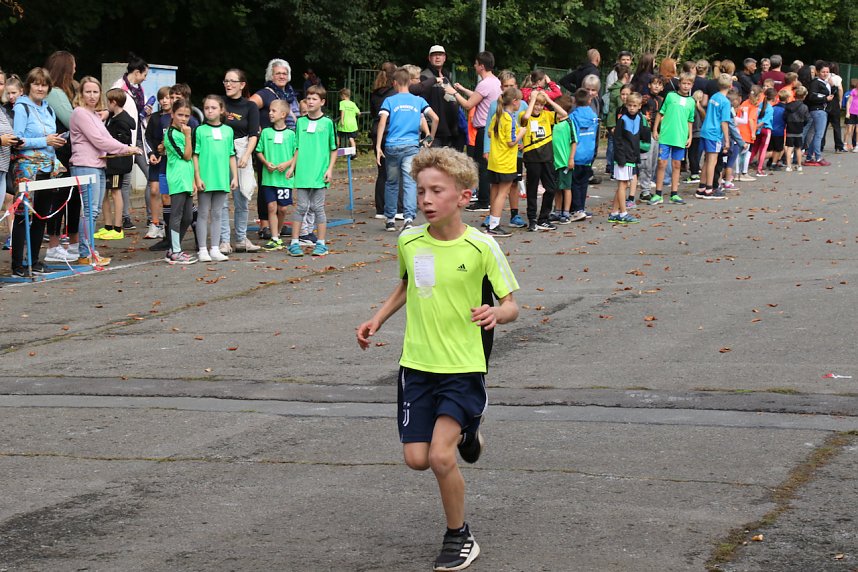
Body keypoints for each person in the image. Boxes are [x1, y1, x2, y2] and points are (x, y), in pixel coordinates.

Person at [356, 146, 519, 572]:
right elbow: (406, 285)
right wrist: (377, 319)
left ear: (463, 197)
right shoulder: (409, 240)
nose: (426, 200)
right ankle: (467, 435)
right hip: (417, 365)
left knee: (439, 458)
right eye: (421, 191)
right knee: (416, 458)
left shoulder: (482, 247)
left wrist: (496, 313)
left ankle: (459, 537)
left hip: (463, 366)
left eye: (437, 191)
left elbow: (512, 305)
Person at [10, 67, 69, 276]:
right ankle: (17, 265)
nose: (40, 88)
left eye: (44, 85)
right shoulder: (21, 108)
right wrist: (45, 140)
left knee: (42, 215)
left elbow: (50, 138)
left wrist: (57, 140)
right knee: (22, 215)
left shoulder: (49, 109)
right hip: (26, 168)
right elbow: (17, 140)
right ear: (29, 86)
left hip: (48, 166)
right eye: (36, 84)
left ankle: (34, 260)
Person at [376, 67, 438, 232]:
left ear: (394, 83)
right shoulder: (418, 101)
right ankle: (408, 218)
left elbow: (382, 123)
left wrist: (378, 146)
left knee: (391, 182)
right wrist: (430, 137)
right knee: (410, 183)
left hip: (392, 145)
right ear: (410, 82)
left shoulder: (389, 101)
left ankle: (390, 219)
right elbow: (435, 118)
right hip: (411, 146)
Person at [443, 51, 501, 212]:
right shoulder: (495, 81)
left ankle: (483, 201)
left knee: (481, 166)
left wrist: (454, 92)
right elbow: (478, 97)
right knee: (482, 164)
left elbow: (469, 105)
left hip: (483, 129)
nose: (474, 66)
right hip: (490, 128)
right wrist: (462, 89)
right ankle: (484, 198)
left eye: (476, 64)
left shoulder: (484, 84)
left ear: (481, 66)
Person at [249, 58, 301, 241]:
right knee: (267, 186)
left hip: (288, 144)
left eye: (284, 73)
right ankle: (264, 226)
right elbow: (250, 106)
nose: (281, 76)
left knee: (282, 187)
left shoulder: (289, 94)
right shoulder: (266, 93)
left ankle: (277, 226)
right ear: (271, 75)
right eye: (278, 73)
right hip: (269, 145)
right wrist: (256, 127)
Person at [285, 85, 337, 257]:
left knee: (317, 207)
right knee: (301, 207)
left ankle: (321, 243)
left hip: (319, 172)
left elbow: (333, 148)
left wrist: (330, 169)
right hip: (303, 172)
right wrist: (292, 167)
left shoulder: (327, 123)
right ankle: (294, 242)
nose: (310, 102)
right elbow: (297, 147)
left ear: (322, 102)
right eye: (308, 99)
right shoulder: (300, 122)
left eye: (314, 99)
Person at [43, 51, 80, 254]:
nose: (75, 69)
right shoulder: (56, 93)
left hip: (67, 152)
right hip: (60, 153)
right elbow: (72, 120)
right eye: (73, 65)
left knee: (72, 198)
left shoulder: (65, 91)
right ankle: (54, 245)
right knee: (59, 198)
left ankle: (72, 242)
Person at [481, 70, 528, 229]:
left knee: (501, 190)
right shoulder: (508, 118)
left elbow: (490, 132)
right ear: (514, 101)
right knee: (502, 192)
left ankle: (495, 221)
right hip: (505, 161)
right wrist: (521, 132)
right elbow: (510, 141)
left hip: (496, 160)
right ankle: (494, 225)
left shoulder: (499, 115)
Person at [221, 68, 261, 253]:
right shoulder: (219, 103)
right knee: (221, 199)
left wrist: (246, 155)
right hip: (221, 154)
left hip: (241, 153)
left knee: (242, 198)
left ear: (242, 85)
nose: (228, 84)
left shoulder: (250, 106)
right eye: (226, 81)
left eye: (232, 81)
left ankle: (241, 239)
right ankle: (223, 240)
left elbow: (253, 134)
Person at [193, 95, 237, 263]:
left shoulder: (228, 131)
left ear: (221, 110)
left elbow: (231, 155)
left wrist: (234, 177)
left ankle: (215, 248)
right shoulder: (200, 130)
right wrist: (197, 177)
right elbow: (195, 155)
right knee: (203, 213)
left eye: (213, 108)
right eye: (206, 108)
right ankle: (202, 249)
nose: (210, 111)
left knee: (218, 213)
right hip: (205, 178)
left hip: (221, 178)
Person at [112, 53, 152, 231]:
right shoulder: (119, 87)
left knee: (151, 175)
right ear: (137, 72)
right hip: (125, 139)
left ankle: (152, 218)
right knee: (125, 181)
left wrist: (146, 112)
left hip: (139, 138)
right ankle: (125, 217)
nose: (145, 78)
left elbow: (138, 112)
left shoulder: (139, 90)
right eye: (144, 74)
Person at [520, 89, 568, 231]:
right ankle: (532, 219)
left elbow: (564, 114)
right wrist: (532, 100)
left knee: (551, 188)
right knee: (532, 190)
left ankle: (543, 218)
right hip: (532, 158)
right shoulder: (524, 115)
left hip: (547, 158)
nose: (538, 107)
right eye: (536, 104)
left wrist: (549, 100)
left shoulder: (547, 115)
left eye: (541, 105)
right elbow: (526, 117)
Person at [256, 100, 296, 251]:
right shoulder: (266, 132)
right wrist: (266, 163)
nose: (270, 113)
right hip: (269, 178)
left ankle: (278, 232)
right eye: (270, 110)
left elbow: (296, 153)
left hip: (284, 179)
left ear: (283, 114)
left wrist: (287, 164)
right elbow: (259, 151)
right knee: (271, 207)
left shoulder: (291, 134)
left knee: (283, 208)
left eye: (273, 111)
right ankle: (274, 238)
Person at [650, 72, 694, 206]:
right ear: (679, 84)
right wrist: (655, 129)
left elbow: (690, 120)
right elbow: (660, 113)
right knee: (662, 163)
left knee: (677, 165)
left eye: (689, 84)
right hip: (666, 135)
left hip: (680, 137)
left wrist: (690, 136)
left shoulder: (691, 101)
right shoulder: (670, 96)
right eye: (684, 83)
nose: (686, 86)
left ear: (692, 85)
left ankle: (674, 193)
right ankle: (658, 193)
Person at [98, 88, 137, 240]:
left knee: (115, 192)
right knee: (105, 193)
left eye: (108, 102)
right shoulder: (114, 117)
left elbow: (120, 143)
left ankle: (118, 227)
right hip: (111, 161)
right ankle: (108, 225)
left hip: (117, 163)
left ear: (113, 102)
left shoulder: (121, 121)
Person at [163, 98, 197, 265]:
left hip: (187, 178)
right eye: (180, 115)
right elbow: (187, 156)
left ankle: (173, 248)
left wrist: (193, 180)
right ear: (172, 114)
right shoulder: (171, 134)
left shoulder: (183, 132)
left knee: (188, 217)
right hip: (177, 178)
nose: (183, 119)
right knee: (176, 215)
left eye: (186, 116)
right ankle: (175, 251)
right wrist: (188, 136)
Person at [413, 45, 459, 148]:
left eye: (440, 55)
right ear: (429, 58)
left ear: (444, 58)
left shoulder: (448, 76)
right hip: (433, 132)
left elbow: (451, 101)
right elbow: (421, 106)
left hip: (449, 132)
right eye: (434, 55)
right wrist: (429, 133)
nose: (437, 57)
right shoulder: (424, 77)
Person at [370, 63, 399, 219]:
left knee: (382, 172)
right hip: (390, 131)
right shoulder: (394, 94)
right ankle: (395, 207)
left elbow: (373, 113)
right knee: (394, 172)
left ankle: (380, 209)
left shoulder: (375, 94)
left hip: (376, 132)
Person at [696, 74, 733, 200]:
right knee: (712, 161)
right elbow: (724, 122)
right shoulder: (725, 102)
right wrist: (727, 140)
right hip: (714, 133)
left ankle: (701, 187)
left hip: (705, 129)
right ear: (730, 85)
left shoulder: (714, 96)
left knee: (707, 160)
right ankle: (709, 188)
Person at [609, 92, 642, 224]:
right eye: (629, 105)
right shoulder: (622, 120)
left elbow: (636, 139)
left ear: (639, 106)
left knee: (623, 185)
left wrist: (636, 156)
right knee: (623, 185)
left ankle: (614, 212)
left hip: (631, 157)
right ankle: (623, 213)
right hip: (623, 158)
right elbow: (617, 141)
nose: (632, 108)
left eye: (634, 106)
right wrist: (621, 158)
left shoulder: (638, 118)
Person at [143, 86, 171, 240]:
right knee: (154, 190)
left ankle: (169, 225)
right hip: (156, 159)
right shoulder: (155, 118)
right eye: (161, 98)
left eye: (167, 97)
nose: (164, 101)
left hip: (171, 160)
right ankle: (154, 223)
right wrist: (152, 153)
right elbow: (147, 138)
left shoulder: (177, 117)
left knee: (167, 194)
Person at [569, 88, 599, 221]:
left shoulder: (573, 116)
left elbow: (573, 136)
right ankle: (581, 207)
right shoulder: (593, 115)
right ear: (589, 100)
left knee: (574, 183)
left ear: (575, 101)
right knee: (583, 182)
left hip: (576, 154)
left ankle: (576, 209)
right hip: (589, 153)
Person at [550, 94, 577, 223]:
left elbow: (574, 141)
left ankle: (566, 212)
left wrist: (571, 158)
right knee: (557, 188)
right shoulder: (554, 122)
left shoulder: (568, 123)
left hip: (565, 162)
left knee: (566, 188)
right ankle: (557, 210)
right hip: (554, 162)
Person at [0, 69, 19, 251]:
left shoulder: (19, 109)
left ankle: (16, 235)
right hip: (5, 163)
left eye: (0, 83)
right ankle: (12, 235)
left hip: (9, 163)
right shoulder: (4, 109)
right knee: (8, 199)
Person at [804, 63, 834, 167]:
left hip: (821, 111)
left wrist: (832, 86)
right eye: (823, 72)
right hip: (818, 111)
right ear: (817, 72)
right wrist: (825, 98)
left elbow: (830, 94)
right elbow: (812, 97)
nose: (825, 74)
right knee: (819, 135)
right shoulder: (816, 82)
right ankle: (818, 157)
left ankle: (809, 157)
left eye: (827, 72)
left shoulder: (824, 82)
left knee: (816, 134)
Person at [735, 86, 762, 181]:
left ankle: (737, 173)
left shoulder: (744, 103)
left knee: (738, 154)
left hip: (739, 130)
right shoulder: (753, 106)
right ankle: (744, 173)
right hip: (747, 132)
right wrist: (753, 133)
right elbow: (750, 119)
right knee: (747, 153)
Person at [749, 88, 775, 177]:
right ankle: (759, 169)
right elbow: (764, 121)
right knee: (763, 149)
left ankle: (746, 165)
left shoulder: (759, 105)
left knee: (754, 149)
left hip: (758, 130)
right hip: (766, 129)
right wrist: (757, 126)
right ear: (774, 98)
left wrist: (755, 127)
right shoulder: (770, 108)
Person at [783, 86, 810, 171]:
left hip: (790, 127)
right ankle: (799, 165)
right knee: (798, 148)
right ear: (804, 96)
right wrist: (803, 124)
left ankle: (788, 166)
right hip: (799, 127)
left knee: (789, 147)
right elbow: (807, 118)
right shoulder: (804, 107)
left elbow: (784, 116)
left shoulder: (788, 106)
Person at [844, 79, 858, 152]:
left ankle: (856, 146)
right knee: (849, 130)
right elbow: (849, 102)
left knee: (857, 131)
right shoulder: (853, 91)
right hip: (852, 112)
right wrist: (847, 112)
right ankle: (845, 144)